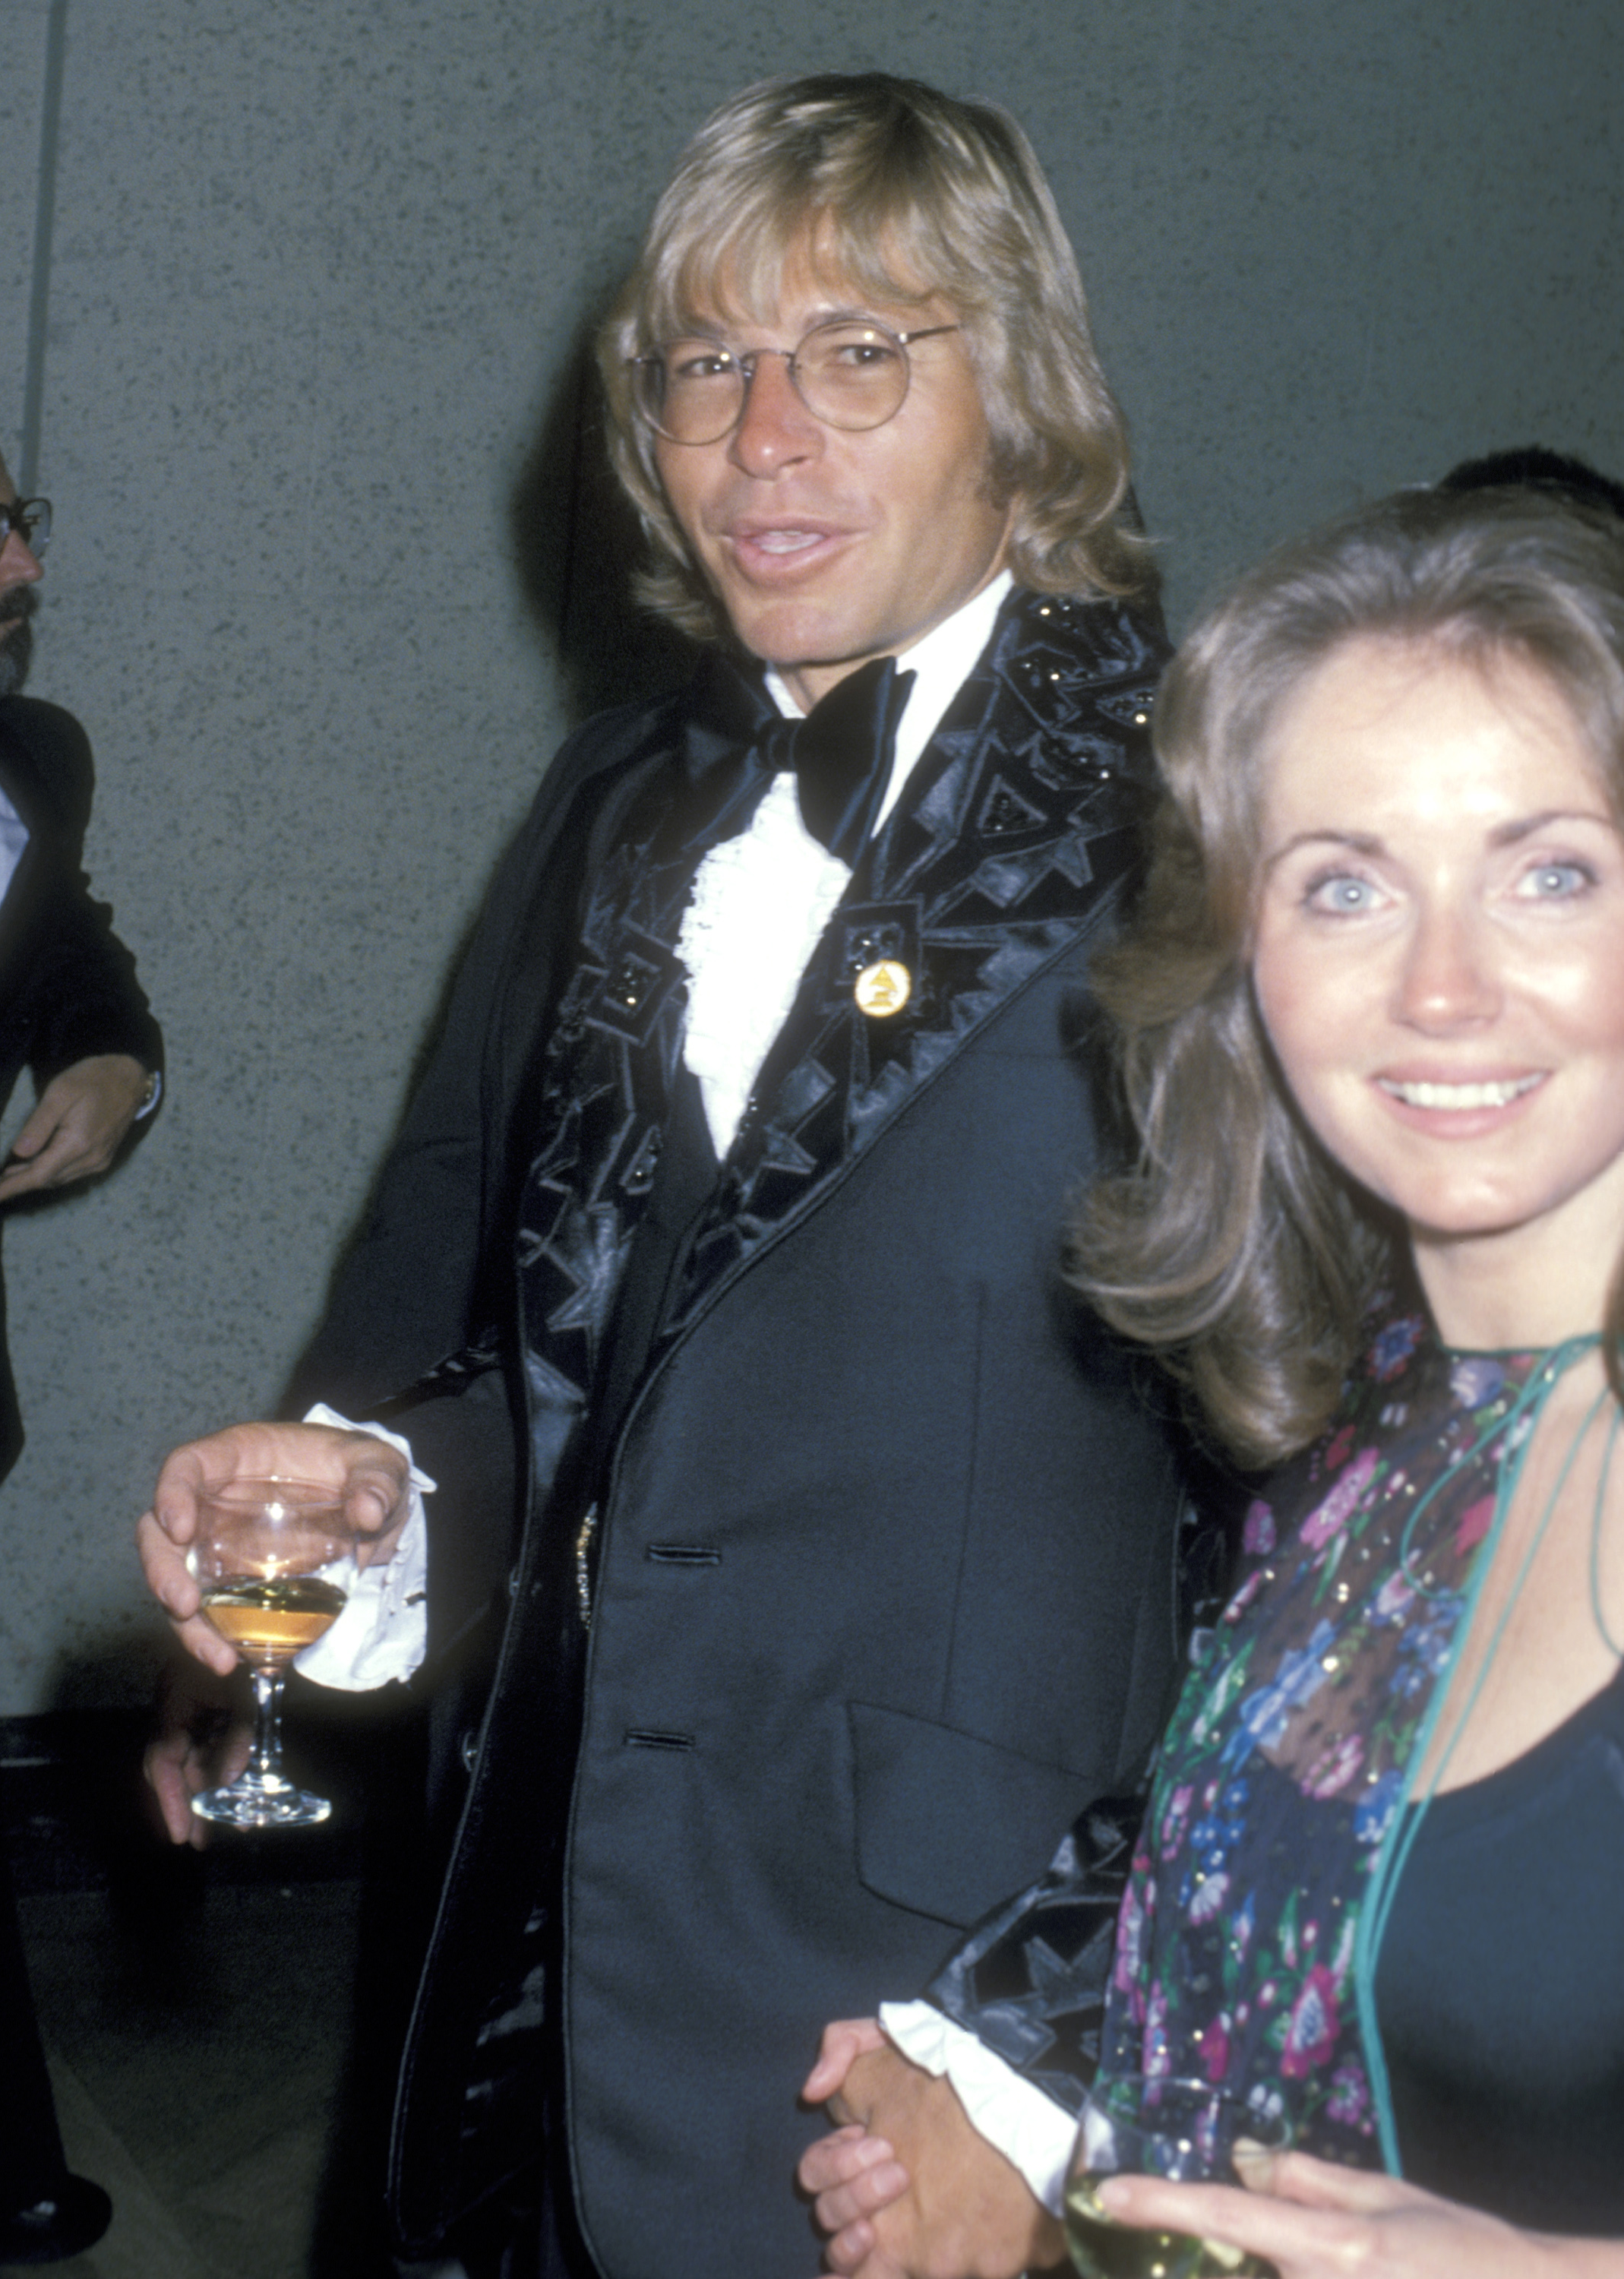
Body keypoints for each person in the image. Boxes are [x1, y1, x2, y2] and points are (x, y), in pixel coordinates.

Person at [137, 74, 1193, 2279]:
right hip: (539, 1955)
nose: (761, 436)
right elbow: (535, 1332)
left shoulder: (1214, 806)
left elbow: (1344, 1534)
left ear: (1020, 394)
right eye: (707, 363)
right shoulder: (618, 792)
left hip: (927, 2029)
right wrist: (365, 1524)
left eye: (858, 354)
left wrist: (1035, 2046)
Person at [810, 479, 1624, 2273]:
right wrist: (1013, 2116)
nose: (1439, 987)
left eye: (1546, 871)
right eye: (1342, 885)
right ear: (1243, 966)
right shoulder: (1374, 1426)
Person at [0, 397, 161, 2264]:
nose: (22, 566)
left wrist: (114, 1059)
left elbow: (72, 953)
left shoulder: (33, 757)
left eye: (17, 521)